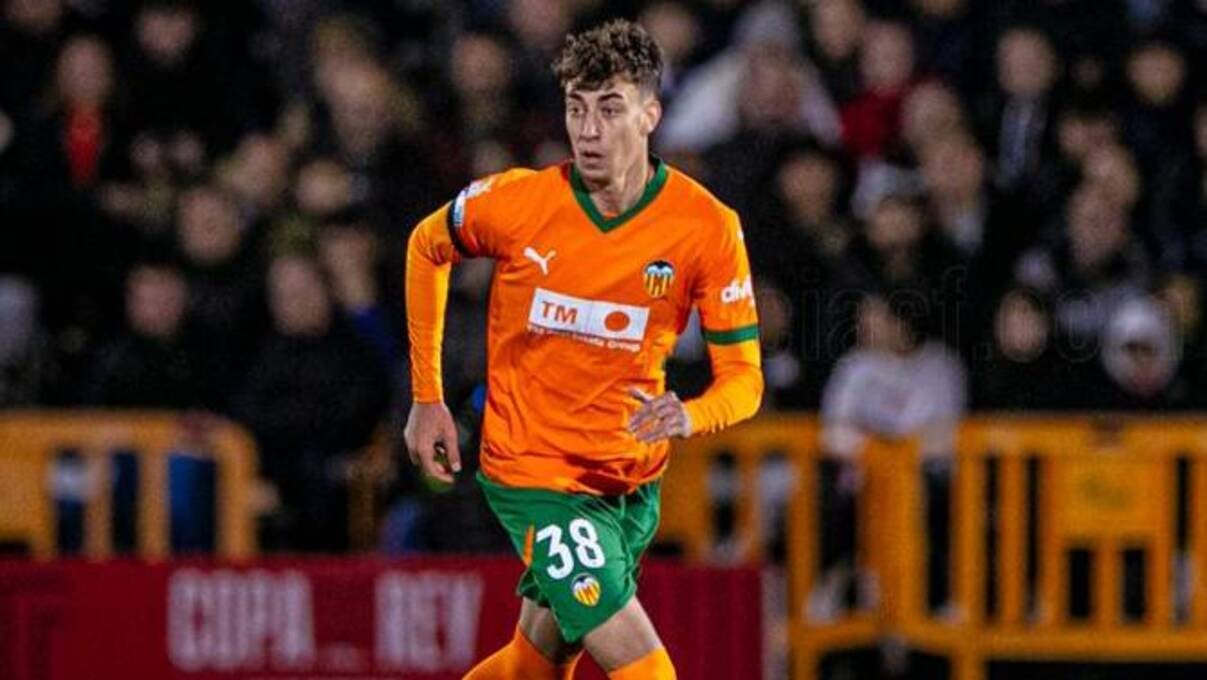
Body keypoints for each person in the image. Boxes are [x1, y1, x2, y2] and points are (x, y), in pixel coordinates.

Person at [403, 19, 763, 680]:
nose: (589, 131)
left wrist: (691, 414)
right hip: (534, 473)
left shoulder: (706, 227)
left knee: (531, 667)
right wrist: (427, 398)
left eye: (610, 109)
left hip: (627, 482)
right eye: (577, 109)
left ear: (650, 115)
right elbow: (427, 246)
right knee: (647, 672)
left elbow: (744, 379)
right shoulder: (519, 202)